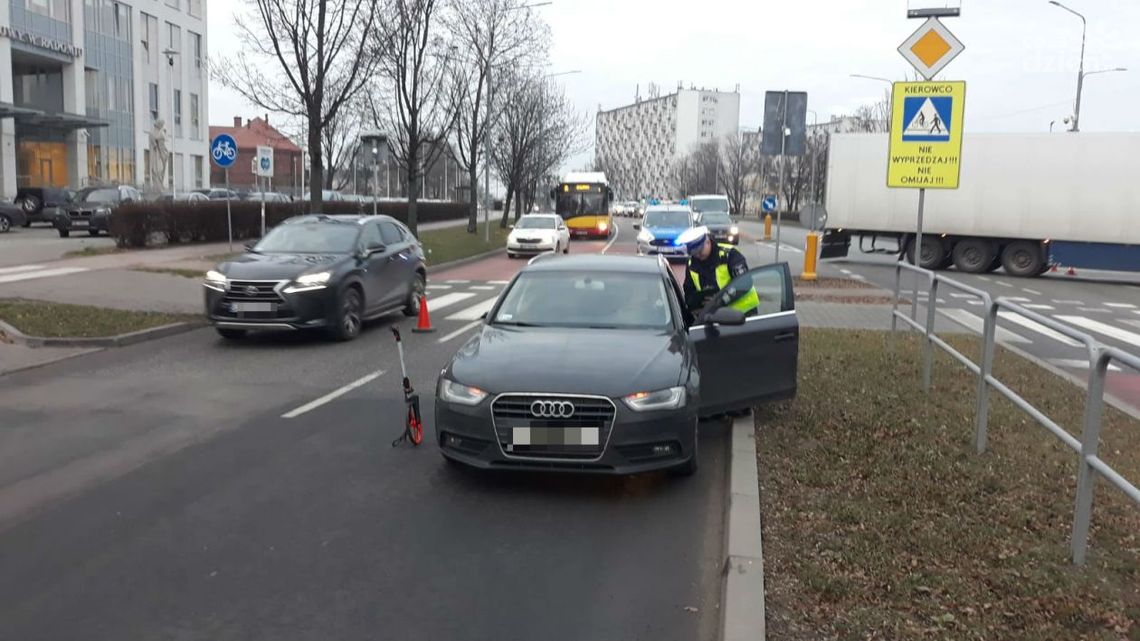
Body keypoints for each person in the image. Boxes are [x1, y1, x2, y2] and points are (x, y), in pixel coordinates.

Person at [678, 226, 758, 316]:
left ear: (707, 242)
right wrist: (696, 306)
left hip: (744, 314)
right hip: (714, 316)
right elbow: (689, 291)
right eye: (694, 253)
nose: (698, 255)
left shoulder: (729, 254)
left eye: (700, 251)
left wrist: (720, 300)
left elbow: (744, 283)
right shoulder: (692, 264)